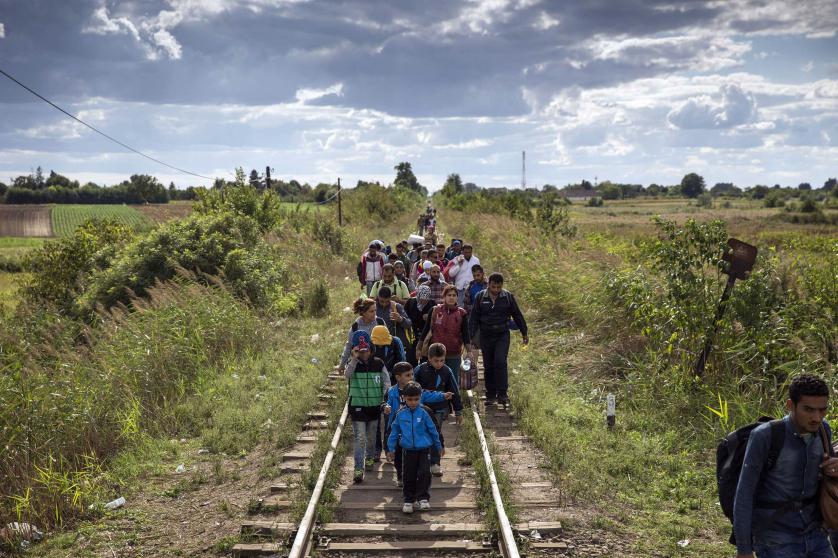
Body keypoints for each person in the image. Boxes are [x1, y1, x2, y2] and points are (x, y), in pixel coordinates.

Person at [734, 374, 838, 558]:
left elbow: (828, 479)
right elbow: (744, 493)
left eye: (822, 410)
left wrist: (833, 469)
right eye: (808, 409)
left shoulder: (824, 430)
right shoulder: (765, 436)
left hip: (815, 532)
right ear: (791, 405)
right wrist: (744, 550)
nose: (816, 417)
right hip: (775, 536)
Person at [384, 362, 452, 488]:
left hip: (415, 429)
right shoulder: (392, 391)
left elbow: (429, 394)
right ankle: (400, 475)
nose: (411, 377)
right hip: (398, 425)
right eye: (408, 375)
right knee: (398, 456)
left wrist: (442, 395)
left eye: (412, 375)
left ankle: (415, 478)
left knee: (413, 455)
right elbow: (386, 402)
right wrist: (386, 407)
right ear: (398, 377)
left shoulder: (417, 389)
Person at [468, 273, 528, 407]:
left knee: (500, 361)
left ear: (502, 286)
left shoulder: (507, 297)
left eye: (498, 287)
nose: (495, 290)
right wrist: (471, 337)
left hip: (502, 334)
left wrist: (524, 332)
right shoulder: (480, 297)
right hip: (486, 335)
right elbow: (474, 319)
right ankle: (490, 395)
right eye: (493, 286)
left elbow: (517, 314)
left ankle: (502, 394)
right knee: (488, 365)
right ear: (488, 284)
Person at [386, 381, 443, 513]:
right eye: (410, 399)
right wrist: (391, 449)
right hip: (408, 450)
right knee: (408, 474)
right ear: (404, 398)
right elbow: (394, 432)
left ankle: (423, 498)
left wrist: (439, 446)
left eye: (416, 399)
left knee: (424, 472)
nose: (413, 402)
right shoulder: (400, 414)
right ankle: (408, 500)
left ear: (420, 397)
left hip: (424, 449)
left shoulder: (424, 413)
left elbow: (433, 430)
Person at [345, 330, 390, 483]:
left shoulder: (378, 363)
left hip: (374, 406)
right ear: (355, 350)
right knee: (360, 437)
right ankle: (358, 468)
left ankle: (369, 457)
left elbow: (386, 381)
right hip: (357, 406)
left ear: (371, 349)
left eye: (366, 350)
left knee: (371, 437)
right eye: (360, 351)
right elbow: (347, 375)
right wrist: (354, 359)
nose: (364, 354)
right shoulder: (353, 364)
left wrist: (384, 397)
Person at [414, 343, 463, 476]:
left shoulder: (447, 371)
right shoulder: (420, 370)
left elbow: (454, 390)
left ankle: (435, 463)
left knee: (435, 433)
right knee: (422, 433)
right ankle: (421, 462)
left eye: (442, 360)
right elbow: (412, 389)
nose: (439, 363)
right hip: (422, 408)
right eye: (436, 360)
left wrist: (458, 411)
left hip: (440, 409)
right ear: (429, 358)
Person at [370, 325, 406, 461]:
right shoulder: (369, 345)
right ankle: (376, 449)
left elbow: (402, 362)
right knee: (376, 421)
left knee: (389, 419)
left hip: (392, 387)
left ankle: (388, 448)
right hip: (374, 386)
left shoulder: (396, 343)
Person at [419, 285, 470, 375]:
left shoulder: (462, 313)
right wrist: (419, 348)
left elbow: (465, 334)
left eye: (454, 295)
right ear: (444, 297)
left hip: (454, 353)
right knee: (434, 381)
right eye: (449, 295)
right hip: (436, 353)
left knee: (452, 379)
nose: (451, 297)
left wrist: (469, 351)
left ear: (457, 297)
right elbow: (426, 329)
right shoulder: (435, 310)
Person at [339, 298, 385, 372]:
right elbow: (349, 346)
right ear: (363, 312)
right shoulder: (355, 327)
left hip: (379, 364)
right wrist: (342, 365)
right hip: (360, 366)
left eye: (375, 310)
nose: (374, 313)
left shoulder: (380, 322)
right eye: (371, 311)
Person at [374, 286, 413, 352]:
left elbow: (409, 323)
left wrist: (400, 319)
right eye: (382, 301)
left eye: (387, 301)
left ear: (390, 298)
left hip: (393, 344)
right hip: (376, 343)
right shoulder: (373, 307)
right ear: (378, 297)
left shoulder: (397, 307)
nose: (384, 304)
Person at [405, 285, 434, 365]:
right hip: (411, 337)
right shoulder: (411, 303)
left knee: (425, 361)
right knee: (411, 360)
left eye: (426, 299)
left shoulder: (432, 305)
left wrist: (430, 317)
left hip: (426, 338)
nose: (424, 301)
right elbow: (405, 316)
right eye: (422, 299)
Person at [447, 244, 480, 308]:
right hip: (459, 289)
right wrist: (459, 265)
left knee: (471, 308)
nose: (467, 254)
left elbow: (479, 273)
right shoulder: (457, 259)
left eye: (469, 252)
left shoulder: (476, 260)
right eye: (466, 252)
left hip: (471, 288)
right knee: (459, 308)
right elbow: (451, 273)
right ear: (462, 252)